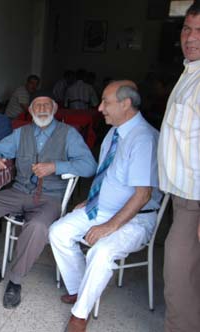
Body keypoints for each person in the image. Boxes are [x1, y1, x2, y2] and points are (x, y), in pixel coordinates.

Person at [0, 91, 97, 309]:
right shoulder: (21, 133)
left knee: (37, 227)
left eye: (46, 105)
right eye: (37, 105)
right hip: (19, 191)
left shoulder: (68, 134)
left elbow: (89, 166)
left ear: (54, 109)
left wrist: (56, 166)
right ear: (31, 111)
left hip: (50, 197)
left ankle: (15, 280)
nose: (42, 109)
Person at [49, 80, 161, 332]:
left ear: (126, 104)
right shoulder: (114, 131)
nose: (99, 108)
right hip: (103, 208)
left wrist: (108, 227)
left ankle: (80, 315)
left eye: (106, 102)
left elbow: (143, 195)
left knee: (100, 251)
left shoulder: (143, 139)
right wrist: (92, 200)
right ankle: (81, 290)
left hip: (136, 218)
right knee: (58, 231)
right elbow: (109, 176)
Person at [158, 3, 200, 331]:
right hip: (181, 197)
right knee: (186, 276)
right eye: (187, 28)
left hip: (194, 203)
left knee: (177, 276)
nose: (191, 37)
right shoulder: (190, 73)